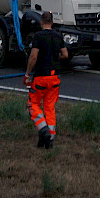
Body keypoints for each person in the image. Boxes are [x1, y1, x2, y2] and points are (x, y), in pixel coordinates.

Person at [25, 11, 68, 148]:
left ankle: (43, 130)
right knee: (50, 107)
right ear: (52, 22)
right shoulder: (58, 35)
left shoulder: (38, 36)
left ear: (42, 22)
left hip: (41, 77)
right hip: (55, 77)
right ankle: (50, 138)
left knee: (33, 104)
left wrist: (27, 74)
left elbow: (33, 57)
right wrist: (55, 59)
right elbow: (65, 54)